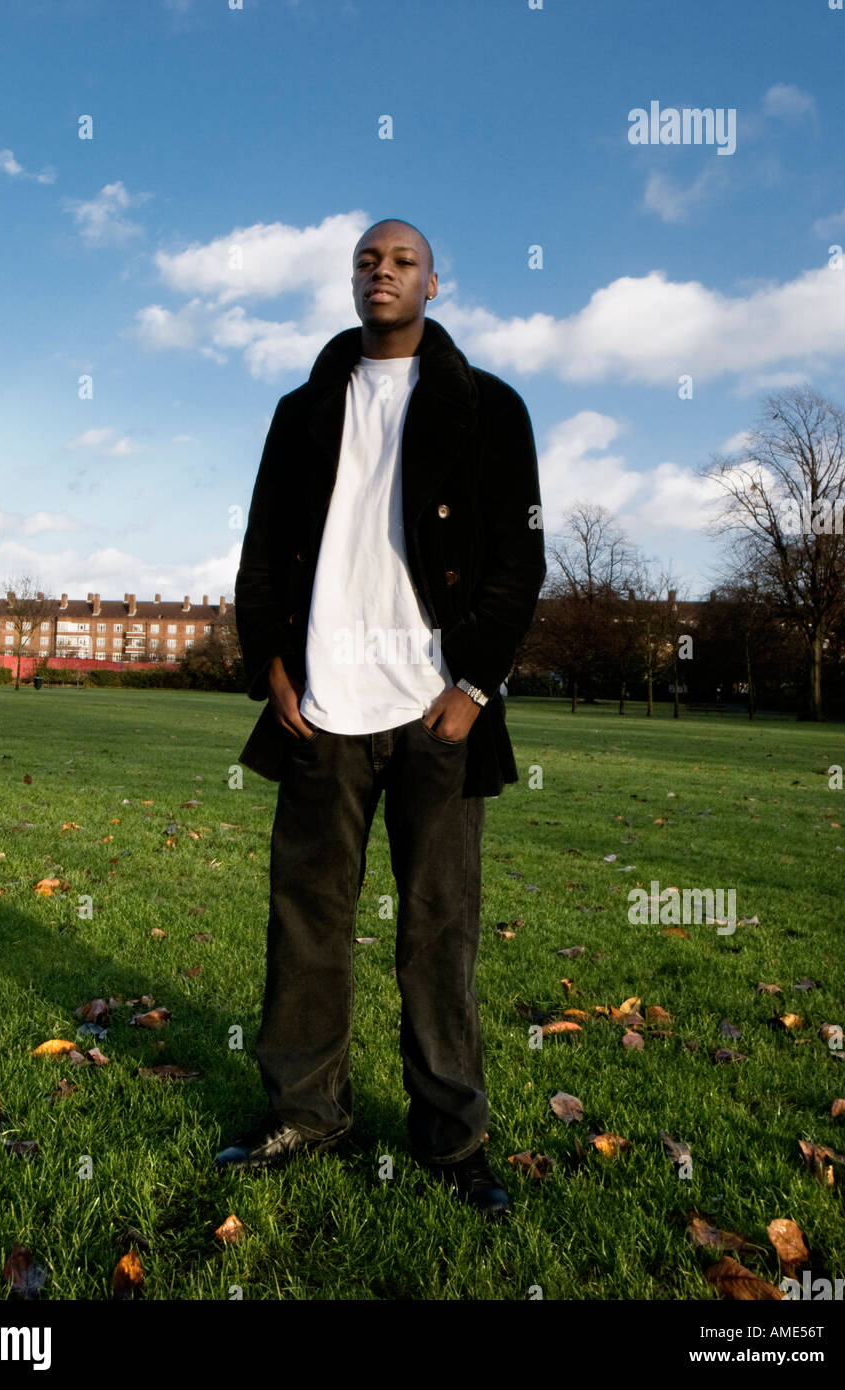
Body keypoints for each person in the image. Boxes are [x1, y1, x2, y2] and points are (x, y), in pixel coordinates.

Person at [219, 218, 546, 1218]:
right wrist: (271, 666)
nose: (382, 272)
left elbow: (517, 562)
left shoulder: (487, 407)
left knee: (437, 934)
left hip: (432, 714)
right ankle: (305, 1110)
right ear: (350, 279)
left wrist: (472, 687)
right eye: (367, 259)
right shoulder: (303, 408)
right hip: (322, 710)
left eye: (402, 260)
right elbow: (263, 547)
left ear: (432, 284)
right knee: (305, 925)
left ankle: (451, 1139)